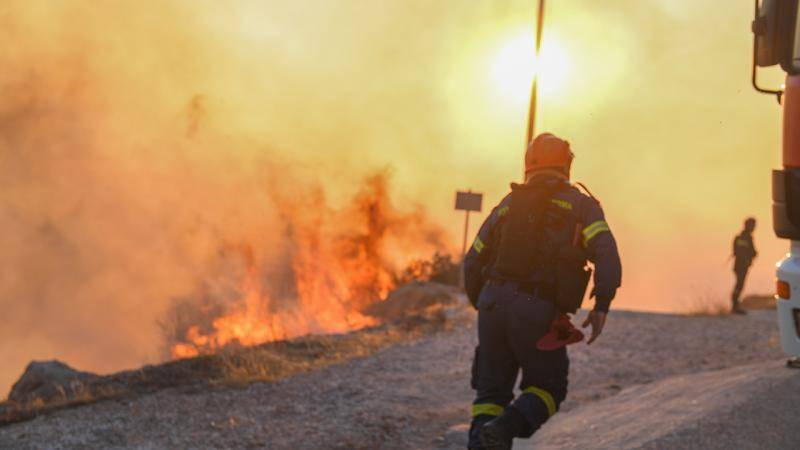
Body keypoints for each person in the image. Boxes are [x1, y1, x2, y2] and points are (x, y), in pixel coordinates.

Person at [463, 133, 622, 450]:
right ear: (566, 163)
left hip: (492, 304)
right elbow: (606, 252)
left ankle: (486, 437)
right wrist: (602, 303)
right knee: (548, 387)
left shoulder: (507, 205)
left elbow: (472, 259)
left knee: (489, 397)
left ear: (528, 164)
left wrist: (484, 305)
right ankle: (505, 427)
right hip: (536, 309)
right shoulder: (580, 204)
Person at [731, 217, 757, 315]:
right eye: (753, 225)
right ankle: (734, 306)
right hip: (741, 265)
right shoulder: (745, 238)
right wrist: (753, 254)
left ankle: (735, 306)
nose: (754, 227)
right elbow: (745, 252)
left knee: (739, 285)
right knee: (739, 285)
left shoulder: (742, 237)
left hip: (741, 265)